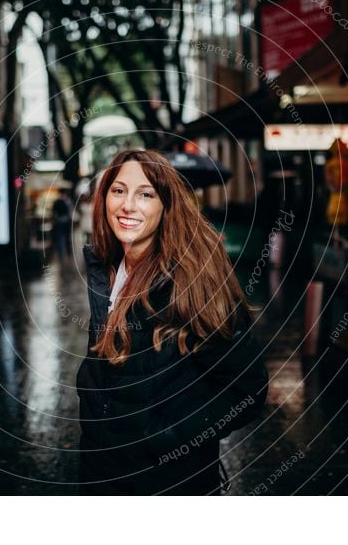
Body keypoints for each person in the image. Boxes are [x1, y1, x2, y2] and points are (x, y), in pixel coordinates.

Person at [77, 149, 268, 495]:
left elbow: (248, 389)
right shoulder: (108, 270)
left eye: (145, 194)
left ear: (166, 205)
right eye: (118, 190)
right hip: (101, 475)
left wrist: (166, 437)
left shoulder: (190, 284)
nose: (128, 206)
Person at [51, 187, 73, 261]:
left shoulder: (57, 201)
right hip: (67, 220)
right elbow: (69, 211)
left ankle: (61, 253)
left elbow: (53, 212)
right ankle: (69, 252)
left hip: (59, 221)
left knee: (60, 238)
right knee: (67, 237)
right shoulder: (67, 201)